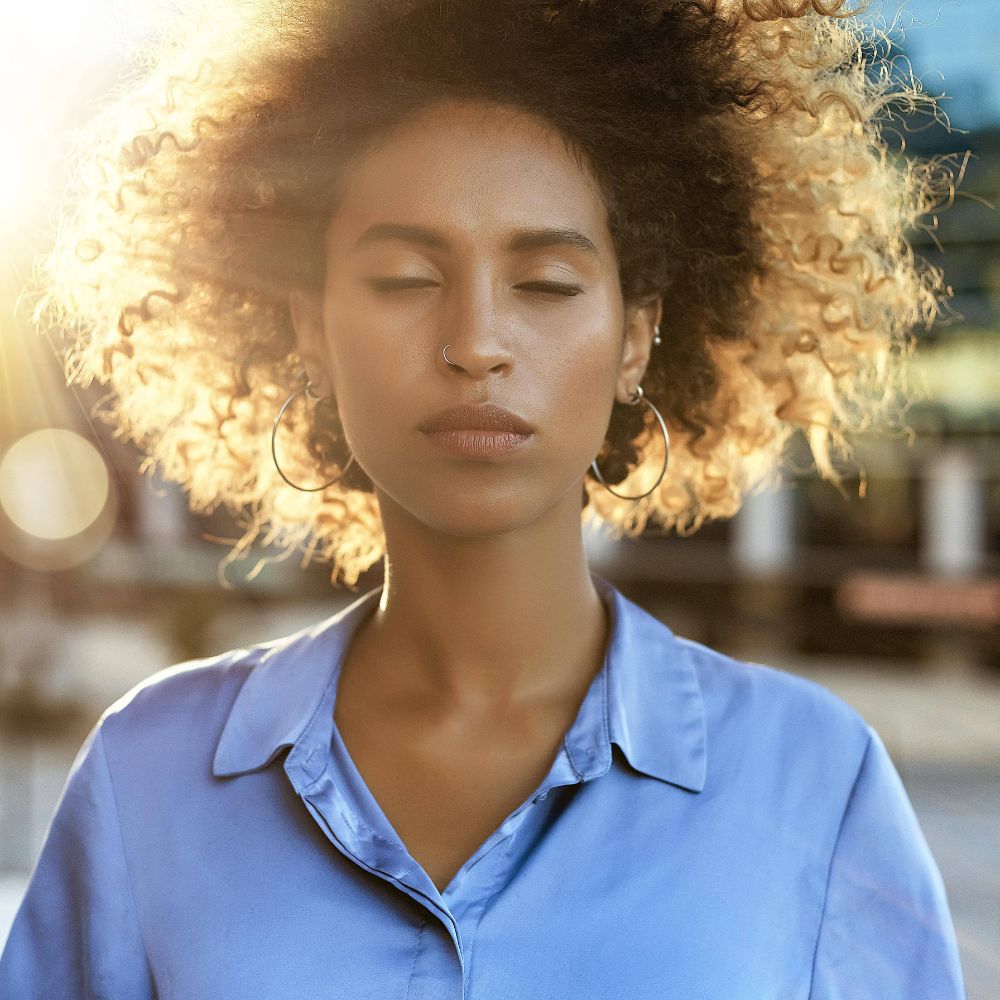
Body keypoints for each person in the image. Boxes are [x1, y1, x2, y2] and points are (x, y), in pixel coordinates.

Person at [1, 1, 968, 997]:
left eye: (545, 284)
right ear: (311, 331)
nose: (476, 342)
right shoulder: (146, 773)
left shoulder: (815, 780)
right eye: (404, 278)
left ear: (636, 339)